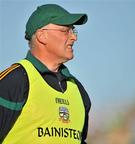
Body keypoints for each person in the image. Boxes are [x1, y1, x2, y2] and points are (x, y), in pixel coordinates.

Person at [0, 4, 91, 144]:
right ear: (42, 36)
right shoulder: (13, 81)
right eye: (65, 30)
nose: (74, 37)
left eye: (73, 31)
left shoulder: (78, 90)